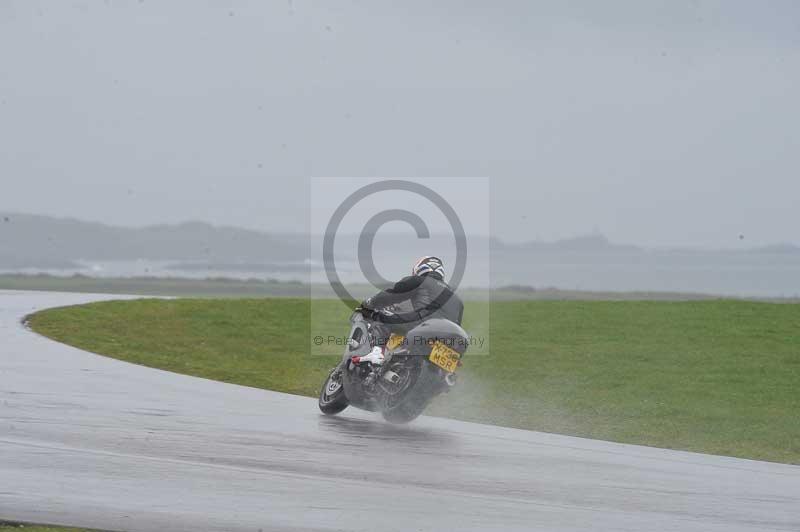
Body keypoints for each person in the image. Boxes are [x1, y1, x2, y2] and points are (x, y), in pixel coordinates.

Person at [354, 256, 464, 366]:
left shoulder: (419, 280)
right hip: (449, 339)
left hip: (421, 324)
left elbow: (392, 295)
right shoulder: (458, 300)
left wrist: (370, 303)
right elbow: (457, 325)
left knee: (380, 318)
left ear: (419, 268)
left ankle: (377, 353)